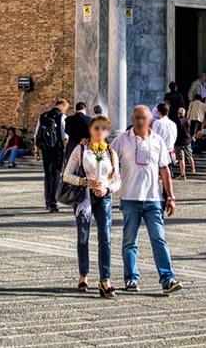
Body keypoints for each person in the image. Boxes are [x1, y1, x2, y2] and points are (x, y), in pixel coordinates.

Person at [111, 104, 181, 293]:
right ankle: (131, 278)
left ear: (150, 120)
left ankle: (168, 279)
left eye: (144, 118)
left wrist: (171, 197)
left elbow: (165, 170)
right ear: (132, 119)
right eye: (137, 118)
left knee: (159, 239)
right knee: (129, 241)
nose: (140, 121)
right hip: (130, 198)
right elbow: (108, 159)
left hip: (153, 198)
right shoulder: (122, 140)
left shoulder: (157, 140)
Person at [62, 113, 121, 296]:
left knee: (106, 237)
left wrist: (108, 188)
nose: (100, 131)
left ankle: (105, 279)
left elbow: (118, 180)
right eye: (96, 128)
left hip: (104, 198)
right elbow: (67, 175)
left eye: (104, 128)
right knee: (83, 237)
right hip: (84, 198)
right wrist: (85, 182)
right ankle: (83, 275)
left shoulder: (110, 153)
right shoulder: (80, 150)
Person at [36, 98, 69, 212]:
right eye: (66, 108)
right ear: (62, 106)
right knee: (56, 175)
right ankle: (53, 203)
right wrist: (66, 152)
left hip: (45, 149)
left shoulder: (43, 116)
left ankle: (47, 201)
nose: (65, 110)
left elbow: (37, 134)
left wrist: (36, 151)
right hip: (57, 149)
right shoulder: (62, 117)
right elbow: (64, 137)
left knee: (48, 175)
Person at [171, 106, 193, 178]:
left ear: (178, 113)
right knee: (190, 156)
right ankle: (193, 169)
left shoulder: (176, 121)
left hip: (179, 142)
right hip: (187, 140)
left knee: (181, 159)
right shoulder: (188, 121)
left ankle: (183, 174)